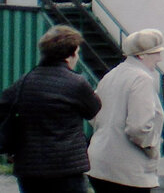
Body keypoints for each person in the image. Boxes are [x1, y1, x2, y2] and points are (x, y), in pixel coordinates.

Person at [0, 24, 101, 193]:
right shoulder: (76, 83)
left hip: (30, 167)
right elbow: (93, 110)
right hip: (66, 167)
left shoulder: (25, 81)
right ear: (71, 54)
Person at [88, 28, 164, 192]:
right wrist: (152, 148)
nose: (159, 58)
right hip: (127, 170)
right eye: (156, 53)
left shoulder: (111, 75)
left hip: (99, 164)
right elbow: (138, 127)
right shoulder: (142, 79)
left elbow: (93, 114)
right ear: (141, 55)